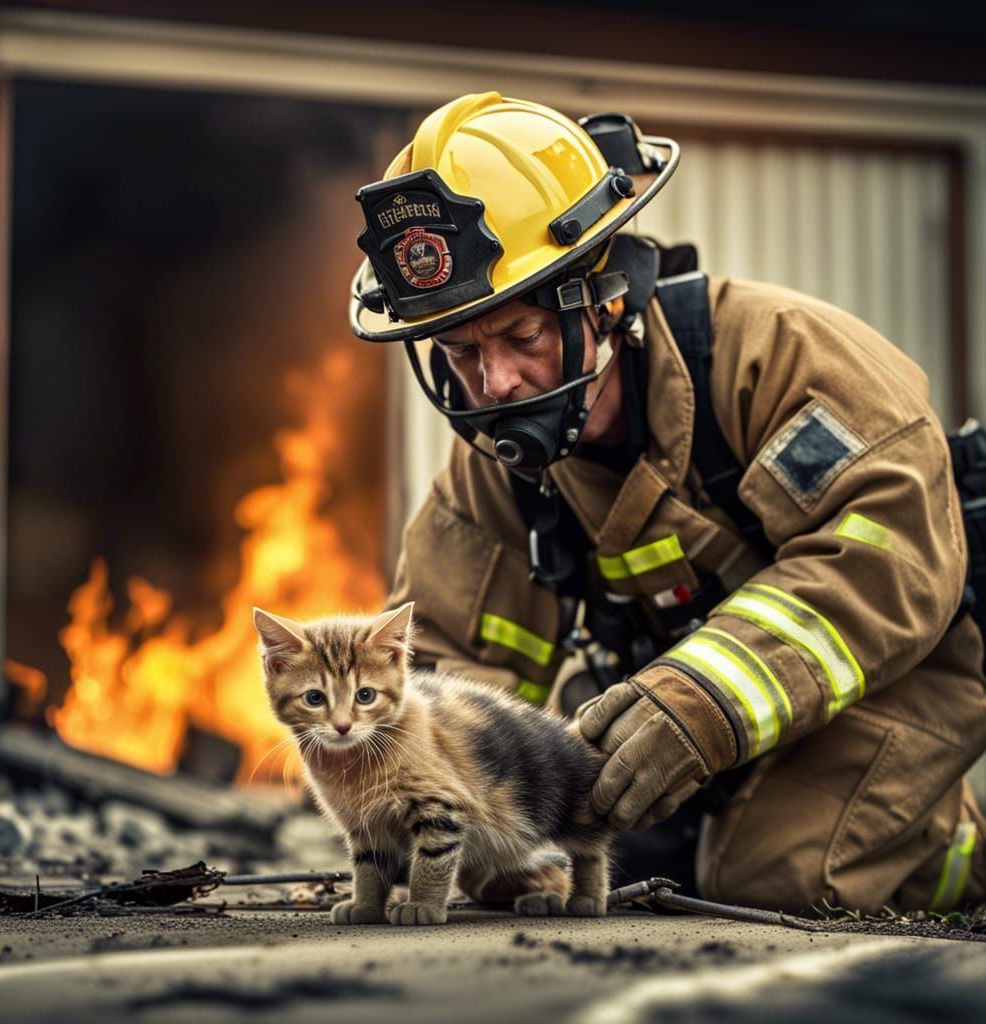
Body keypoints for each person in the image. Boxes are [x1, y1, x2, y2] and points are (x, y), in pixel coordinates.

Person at [348, 91, 986, 914]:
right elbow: (445, 657)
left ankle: (959, 863)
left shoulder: (778, 359)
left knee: (774, 881)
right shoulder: (501, 466)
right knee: (583, 862)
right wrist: (423, 810)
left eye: (522, 338)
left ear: (605, 299)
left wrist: (698, 703)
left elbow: (885, 559)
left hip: (896, 670)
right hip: (699, 709)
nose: (494, 384)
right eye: (460, 349)